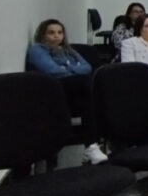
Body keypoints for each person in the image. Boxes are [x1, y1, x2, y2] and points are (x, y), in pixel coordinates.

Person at [26, 19, 108, 164]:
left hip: (74, 90)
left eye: (60, 32)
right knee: (84, 82)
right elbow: (51, 70)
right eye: (51, 33)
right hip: (52, 91)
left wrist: (67, 68)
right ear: (43, 35)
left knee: (91, 90)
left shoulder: (68, 50)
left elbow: (87, 67)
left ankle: (92, 145)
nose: (56, 36)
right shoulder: (37, 50)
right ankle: (91, 146)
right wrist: (73, 68)